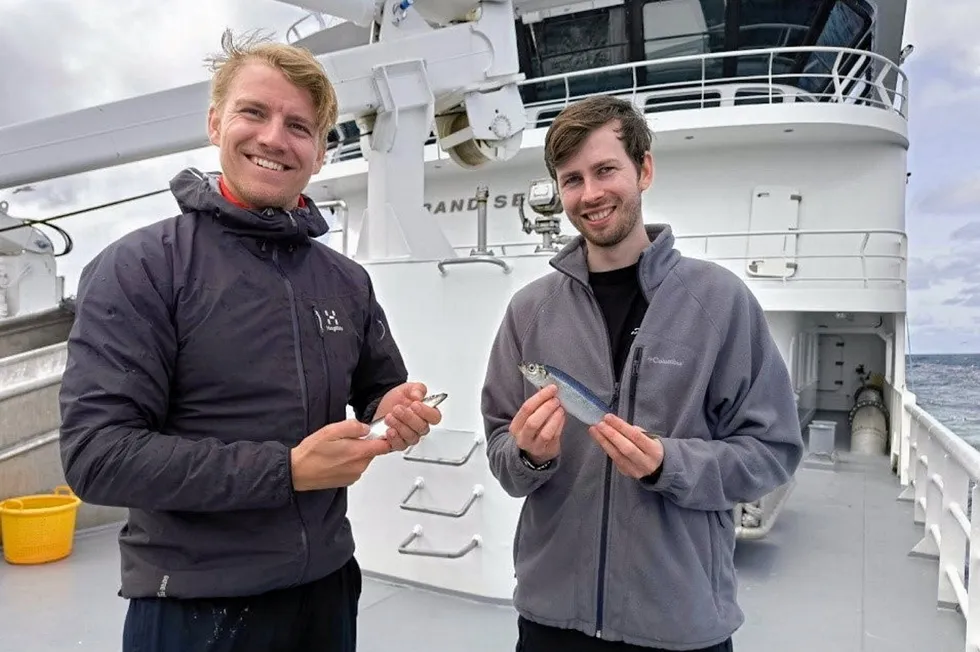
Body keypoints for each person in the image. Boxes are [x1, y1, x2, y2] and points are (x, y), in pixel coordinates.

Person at [58, 30, 442, 652]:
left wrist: (393, 410)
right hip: (192, 606)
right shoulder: (142, 267)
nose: (273, 138)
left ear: (319, 153)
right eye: (253, 112)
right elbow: (97, 456)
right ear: (215, 123)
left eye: (299, 126)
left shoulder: (346, 280)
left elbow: (378, 389)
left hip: (326, 592)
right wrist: (287, 471)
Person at [481, 94, 804, 651]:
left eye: (606, 170)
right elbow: (503, 460)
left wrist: (668, 464)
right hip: (550, 619)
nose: (590, 194)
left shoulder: (719, 301)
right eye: (572, 179)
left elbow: (772, 451)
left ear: (644, 169)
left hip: (680, 624)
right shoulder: (528, 310)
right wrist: (528, 455)